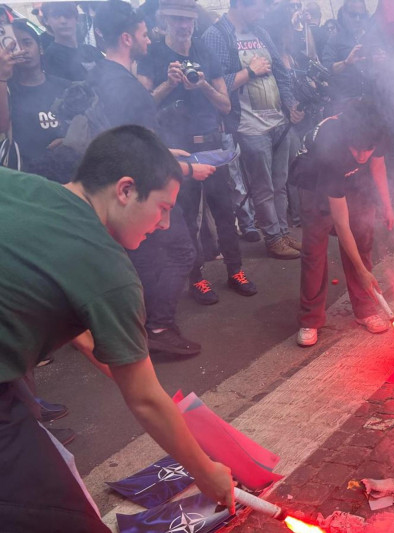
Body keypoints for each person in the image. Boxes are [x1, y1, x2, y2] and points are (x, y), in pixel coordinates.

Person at [0, 125, 234, 532]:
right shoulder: (109, 270)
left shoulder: (24, 187)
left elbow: (78, 327)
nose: (163, 225)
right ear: (125, 190)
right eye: (162, 208)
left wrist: (131, 370)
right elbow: (143, 400)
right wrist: (205, 471)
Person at [91, 0, 211, 356]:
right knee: (177, 251)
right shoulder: (125, 85)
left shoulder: (101, 74)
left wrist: (166, 151)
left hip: (121, 187)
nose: (149, 38)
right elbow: (135, 152)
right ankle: (158, 329)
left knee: (144, 258)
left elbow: (127, 137)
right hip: (141, 189)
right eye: (144, 33)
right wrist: (188, 169)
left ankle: (141, 328)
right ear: (127, 38)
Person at [139, 0, 258, 305]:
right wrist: (169, 82)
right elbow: (141, 106)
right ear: (164, 20)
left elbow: (226, 104)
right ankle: (197, 279)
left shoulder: (205, 51)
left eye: (188, 20)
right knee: (187, 217)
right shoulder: (153, 54)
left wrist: (203, 85)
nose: (184, 25)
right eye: (177, 19)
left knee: (224, 211)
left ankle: (235, 271)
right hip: (177, 148)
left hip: (211, 144)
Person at [202, 0, 305, 260]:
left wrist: (291, 103)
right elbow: (216, 84)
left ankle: (282, 232)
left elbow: (280, 72)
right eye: (259, 7)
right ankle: (272, 238)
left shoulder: (260, 31)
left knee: (280, 184)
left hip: (278, 123)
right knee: (263, 187)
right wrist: (250, 71)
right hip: (249, 126)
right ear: (241, 5)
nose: (263, 12)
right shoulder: (216, 35)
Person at [290, 98, 394, 347]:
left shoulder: (376, 129)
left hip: (353, 181)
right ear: (348, 140)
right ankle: (311, 319)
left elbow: (377, 167)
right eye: (356, 149)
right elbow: (341, 223)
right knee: (315, 248)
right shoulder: (332, 148)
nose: (362, 156)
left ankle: (365, 309)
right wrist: (362, 271)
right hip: (314, 181)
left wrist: (387, 206)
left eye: (367, 149)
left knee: (363, 238)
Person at [3, 20, 72, 183]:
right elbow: (2, 126)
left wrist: (71, 141)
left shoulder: (65, 87)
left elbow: (89, 126)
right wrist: (2, 76)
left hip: (70, 175)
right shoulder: (6, 90)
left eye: (27, 43)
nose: (22, 51)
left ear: (40, 48)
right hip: (27, 180)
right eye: (14, 47)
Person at [41, 2, 99, 81]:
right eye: (56, 16)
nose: (63, 21)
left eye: (68, 15)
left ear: (77, 18)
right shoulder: (50, 57)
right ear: (46, 20)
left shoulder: (92, 50)